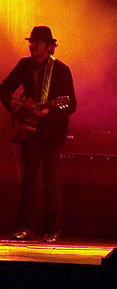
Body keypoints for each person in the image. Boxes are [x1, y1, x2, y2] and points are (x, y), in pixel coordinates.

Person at [0, 26, 77, 242]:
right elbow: (3, 89)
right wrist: (13, 104)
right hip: (28, 131)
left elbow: (70, 104)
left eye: (38, 42)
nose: (33, 46)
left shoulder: (61, 69)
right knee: (28, 179)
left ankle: (52, 229)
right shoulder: (24, 65)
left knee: (50, 180)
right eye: (31, 42)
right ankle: (25, 227)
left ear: (49, 46)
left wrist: (50, 110)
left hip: (51, 133)